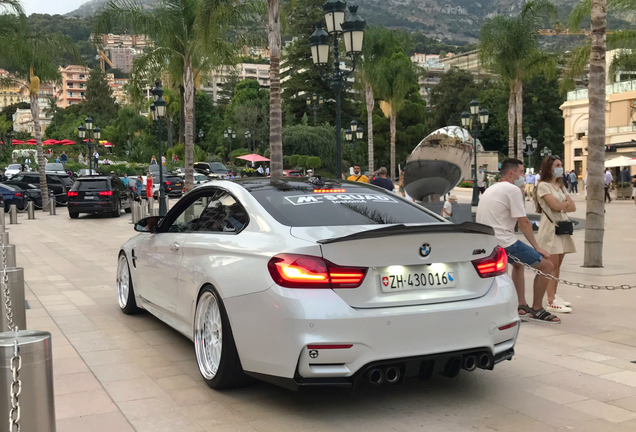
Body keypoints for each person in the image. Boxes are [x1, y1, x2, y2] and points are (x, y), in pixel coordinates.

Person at [476, 158, 558, 323]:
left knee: (518, 265)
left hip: (488, 240)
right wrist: (537, 248)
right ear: (511, 174)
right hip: (504, 241)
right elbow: (524, 222)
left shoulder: (492, 188)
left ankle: (521, 305)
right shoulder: (512, 190)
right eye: (521, 172)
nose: (523, 176)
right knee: (547, 266)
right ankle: (537, 309)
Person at [536, 156, 576, 314]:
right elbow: (554, 205)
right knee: (551, 264)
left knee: (558, 264)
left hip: (562, 227)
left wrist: (563, 205)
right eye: (557, 165)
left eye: (561, 164)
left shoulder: (560, 186)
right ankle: (550, 300)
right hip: (551, 228)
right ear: (549, 168)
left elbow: (572, 207)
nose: (561, 167)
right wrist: (564, 205)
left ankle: (554, 295)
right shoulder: (543, 186)